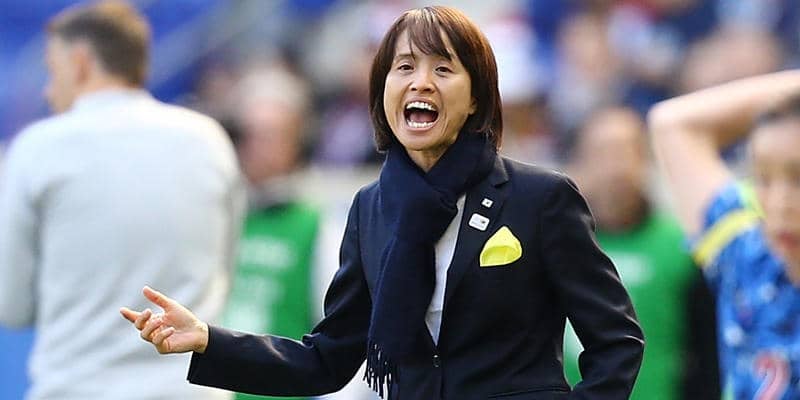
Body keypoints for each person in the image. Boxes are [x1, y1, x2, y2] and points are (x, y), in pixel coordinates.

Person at [121, 6, 644, 400]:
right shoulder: (369, 208)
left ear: (476, 98)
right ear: (383, 91)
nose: (421, 82)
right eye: (405, 67)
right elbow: (327, 360)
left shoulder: (541, 198)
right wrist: (208, 340)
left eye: (443, 69)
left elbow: (617, 341)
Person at [0, 1, 243, 399]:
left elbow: (12, 306)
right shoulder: (209, 140)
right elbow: (226, 270)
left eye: (52, 71)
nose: (48, 89)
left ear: (80, 62)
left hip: (76, 389)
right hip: (192, 389)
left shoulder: (37, 147)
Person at [649, 70, 800, 399]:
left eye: (799, 178)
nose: (780, 203)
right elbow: (673, 123)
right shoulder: (747, 258)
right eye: (763, 177)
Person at [563, 106, 718, 399]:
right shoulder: (555, 243)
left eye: (627, 152)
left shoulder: (681, 245)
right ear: (578, 163)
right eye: (602, 154)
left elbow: (708, 352)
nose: (616, 169)